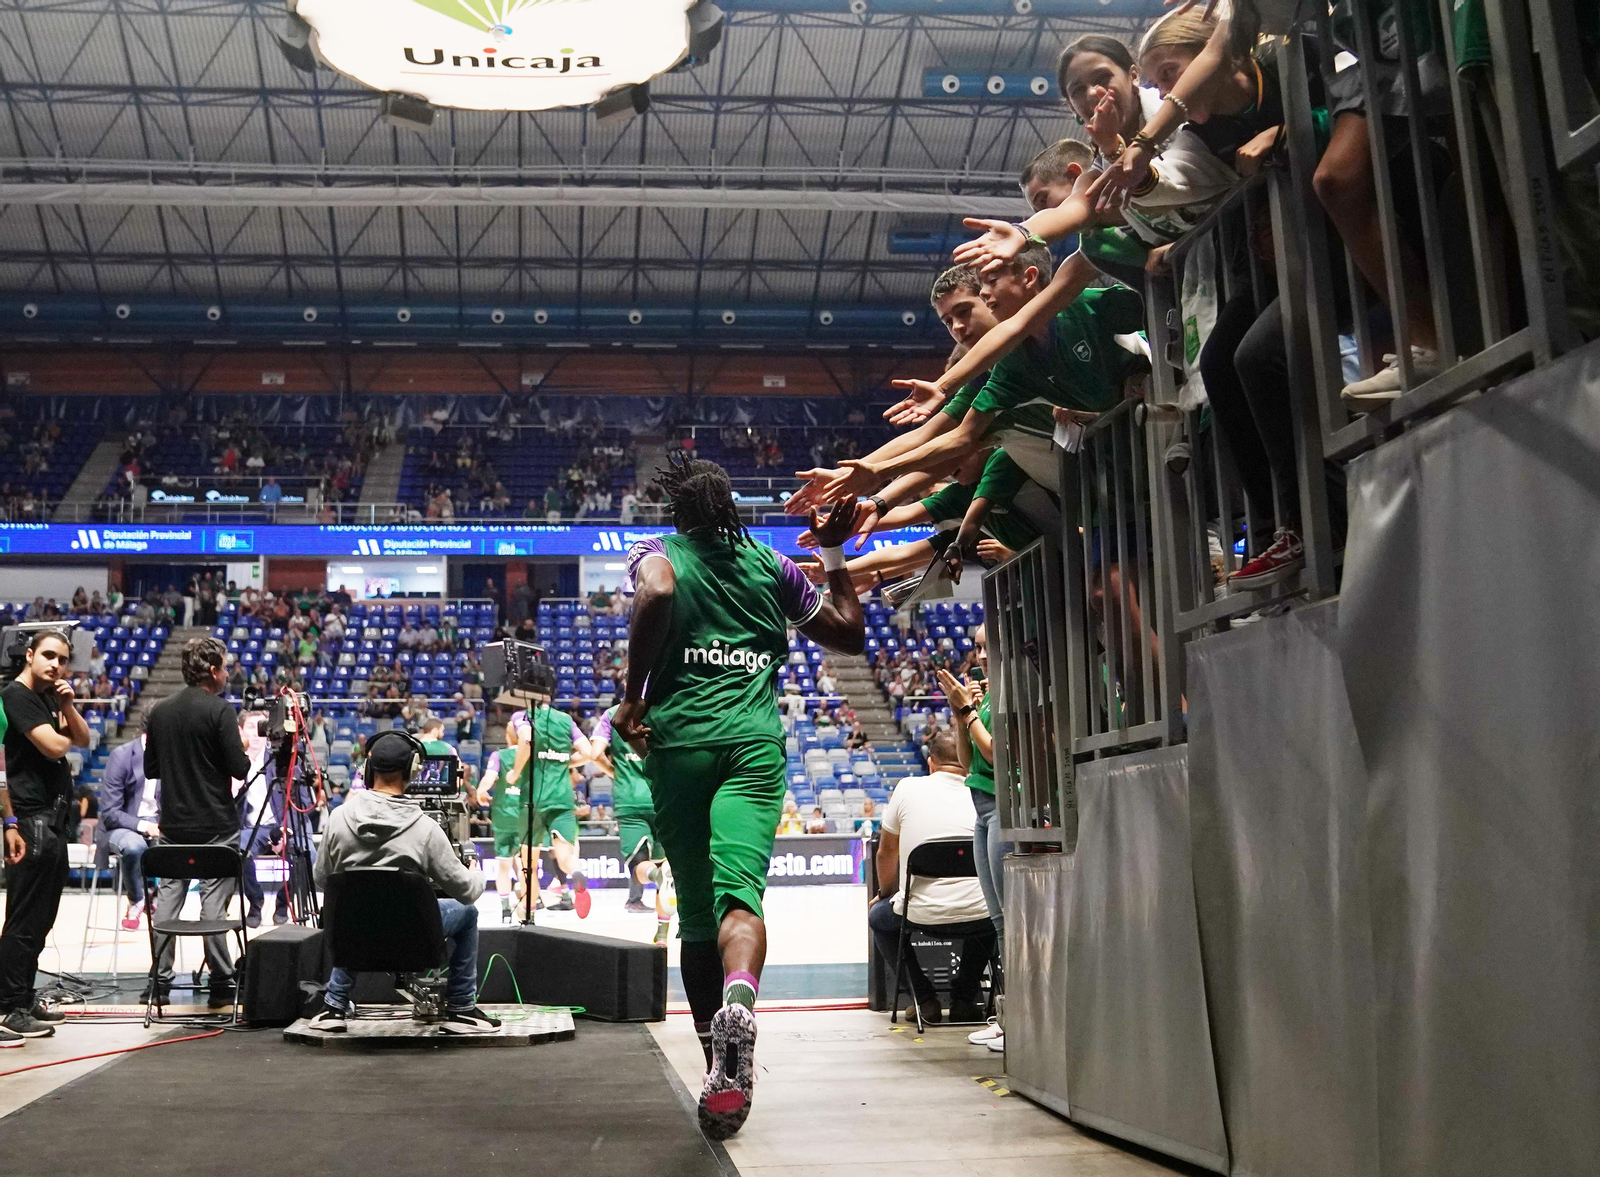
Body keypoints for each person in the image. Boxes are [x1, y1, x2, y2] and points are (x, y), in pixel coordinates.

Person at [613, 453, 865, 1138]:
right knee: (741, 902)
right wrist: (834, 554)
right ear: (730, 508)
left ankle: (717, 1067)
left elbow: (657, 590)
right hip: (751, 748)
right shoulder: (770, 565)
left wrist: (634, 698)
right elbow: (848, 633)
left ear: (677, 511)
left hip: (680, 748)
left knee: (696, 917)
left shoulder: (657, 551)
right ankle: (742, 1007)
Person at [309, 730, 500, 1035]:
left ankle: (334, 1004)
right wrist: (476, 871)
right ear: (412, 771)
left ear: (368, 770)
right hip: (413, 940)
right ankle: (462, 1008)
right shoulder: (425, 828)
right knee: (468, 914)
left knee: (357, 908)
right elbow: (467, 891)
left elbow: (322, 879)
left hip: (353, 938)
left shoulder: (338, 818)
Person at [143, 637, 252, 1009]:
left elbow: (151, 769)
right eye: (225, 667)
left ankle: (159, 984)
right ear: (213, 671)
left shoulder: (160, 711)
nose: (227, 673)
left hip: (173, 828)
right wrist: (240, 749)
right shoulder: (220, 711)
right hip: (217, 829)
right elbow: (240, 768)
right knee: (213, 909)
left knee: (166, 906)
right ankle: (222, 983)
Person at [869, 728, 997, 1026]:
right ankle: (964, 999)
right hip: (982, 914)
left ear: (930, 763)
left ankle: (924, 999)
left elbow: (886, 853)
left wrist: (886, 893)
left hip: (919, 913)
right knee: (992, 913)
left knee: (878, 917)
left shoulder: (907, 788)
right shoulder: (985, 793)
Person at [0, 630, 91, 1043]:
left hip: (51, 822)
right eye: (49, 656)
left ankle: (22, 996)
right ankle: (8, 1006)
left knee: (41, 919)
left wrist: (67, 706)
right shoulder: (15, 696)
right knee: (24, 920)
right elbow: (55, 747)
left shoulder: (51, 697)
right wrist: (64, 730)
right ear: (29, 654)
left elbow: (83, 739)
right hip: (31, 820)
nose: (56, 665)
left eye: (63, 659)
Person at [935, 625, 1004, 1052]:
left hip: (1002, 807)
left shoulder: (1012, 691)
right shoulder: (986, 697)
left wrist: (970, 713)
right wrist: (961, 715)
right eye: (976, 647)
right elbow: (966, 760)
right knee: (998, 922)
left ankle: (1020, 1020)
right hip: (981, 810)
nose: (980, 656)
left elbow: (997, 753)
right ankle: (1007, 1016)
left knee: (1010, 922)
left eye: (987, 646)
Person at [589, 703, 661, 925]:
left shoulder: (612, 714)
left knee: (639, 863)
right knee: (665, 864)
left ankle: (650, 884)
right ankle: (663, 929)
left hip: (630, 800)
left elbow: (595, 754)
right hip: (664, 795)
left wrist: (614, 772)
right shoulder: (663, 706)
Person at [98, 728, 159, 932]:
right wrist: (145, 826)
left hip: (159, 823)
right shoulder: (122, 756)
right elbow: (110, 812)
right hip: (122, 825)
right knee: (134, 847)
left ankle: (159, 897)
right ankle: (137, 899)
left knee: (183, 844)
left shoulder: (173, 754)